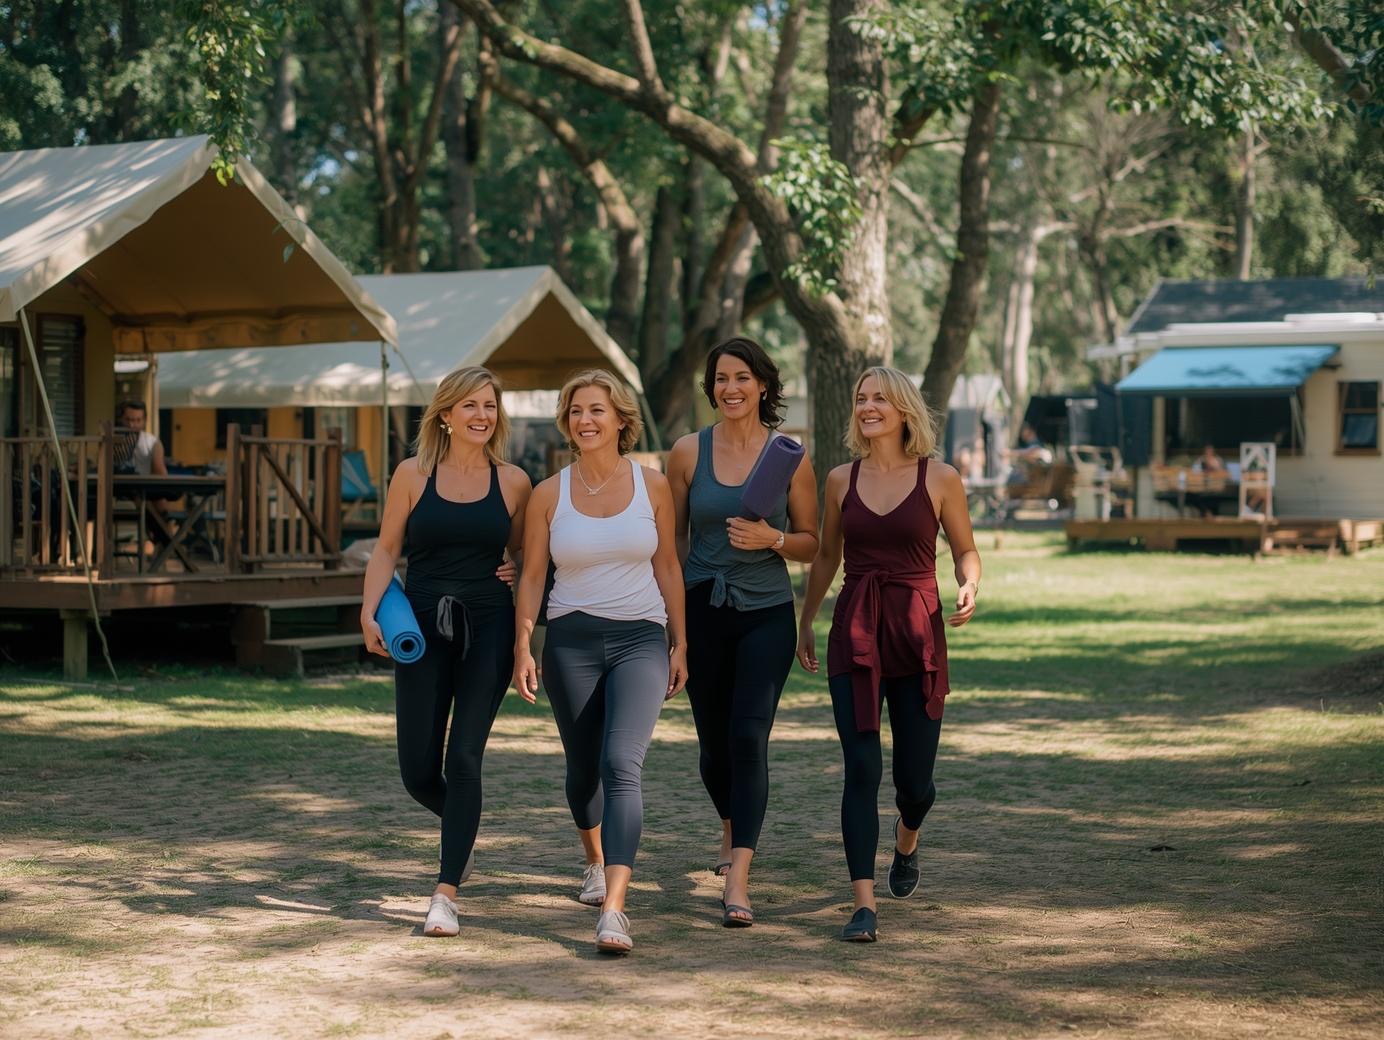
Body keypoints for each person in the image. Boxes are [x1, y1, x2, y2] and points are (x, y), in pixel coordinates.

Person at [797, 366, 981, 944]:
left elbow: (965, 548)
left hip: (917, 632)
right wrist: (807, 619)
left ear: (904, 409)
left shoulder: (940, 477)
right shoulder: (839, 479)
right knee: (861, 768)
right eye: (861, 398)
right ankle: (863, 903)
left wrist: (969, 582)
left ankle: (907, 837)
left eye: (879, 398)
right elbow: (827, 555)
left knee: (914, 781)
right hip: (855, 630)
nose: (867, 406)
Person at [512, 369, 687, 956]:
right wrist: (524, 644)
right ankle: (593, 861)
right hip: (571, 641)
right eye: (576, 411)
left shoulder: (652, 486)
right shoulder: (548, 493)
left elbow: (668, 567)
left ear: (620, 419)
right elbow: (533, 576)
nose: (585, 420)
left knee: (621, 764)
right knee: (583, 768)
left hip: (641, 638)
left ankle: (615, 907)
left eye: (597, 410)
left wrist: (681, 641)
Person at [359, 366, 531, 938]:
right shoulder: (412, 474)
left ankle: (445, 893)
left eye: (490, 406)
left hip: (490, 627)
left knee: (464, 759)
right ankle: (464, 828)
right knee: (416, 772)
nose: (482, 415)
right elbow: (387, 550)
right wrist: (369, 610)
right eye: (470, 405)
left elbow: (527, 555)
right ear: (446, 414)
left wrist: (519, 566)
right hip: (421, 627)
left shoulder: (514, 482)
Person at [666, 337, 818, 928]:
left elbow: (812, 542)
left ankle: (738, 880)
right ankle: (730, 830)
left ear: (763, 385)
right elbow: (671, 542)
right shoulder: (687, 452)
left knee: (749, 737)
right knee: (713, 747)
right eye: (721, 379)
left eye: (742, 378)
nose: (730, 388)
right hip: (702, 609)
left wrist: (773, 539)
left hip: (765, 613)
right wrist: (672, 620)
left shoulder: (789, 457)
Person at [115, 400, 167, 476]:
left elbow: (160, 474)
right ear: (121, 419)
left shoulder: (153, 443)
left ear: (144, 421)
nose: (132, 425)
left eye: (138, 420)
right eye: (128, 420)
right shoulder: (112, 441)